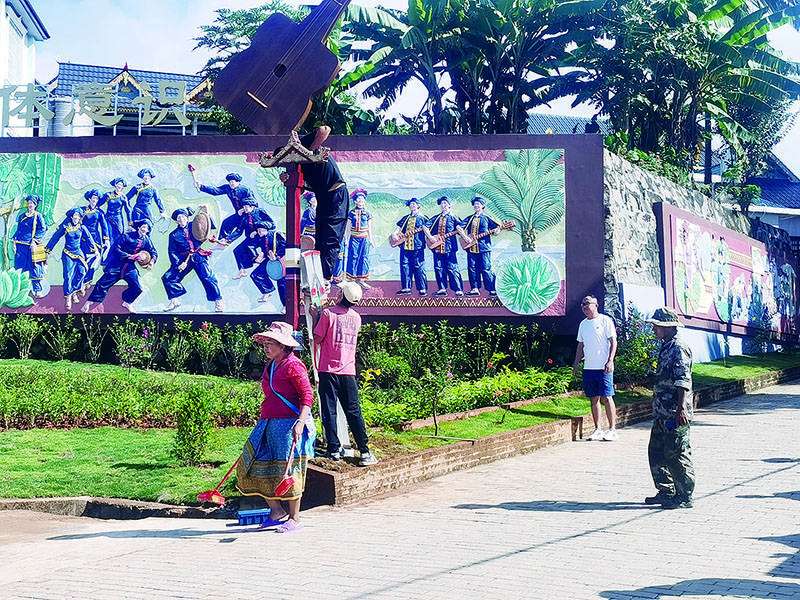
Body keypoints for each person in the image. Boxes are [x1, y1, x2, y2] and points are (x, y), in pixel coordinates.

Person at [237, 321, 316, 533]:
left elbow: (307, 396)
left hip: (289, 425)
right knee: (252, 464)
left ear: (284, 345)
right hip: (268, 423)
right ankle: (276, 510)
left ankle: (294, 517)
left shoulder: (294, 365)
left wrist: (300, 422)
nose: (266, 347)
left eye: (271, 343)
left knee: (289, 469)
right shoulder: (271, 366)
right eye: (265, 342)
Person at [310, 281, 377, 466]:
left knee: (329, 412)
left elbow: (317, 338)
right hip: (348, 371)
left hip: (327, 371)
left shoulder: (328, 314)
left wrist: (316, 316)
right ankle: (364, 451)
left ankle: (333, 451)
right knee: (354, 411)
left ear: (341, 296)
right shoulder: (356, 318)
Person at [280, 125, 349, 285]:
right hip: (323, 198)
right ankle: (318, 276)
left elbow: (325, 129)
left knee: (331, 237)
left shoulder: (301, 146)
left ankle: (325, 277)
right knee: (320, 239)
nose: (285, 165)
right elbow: (301, 191)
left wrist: (309, 152)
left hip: (336, 194)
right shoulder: (295, 166)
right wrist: (288, 179)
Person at [645, 307, 695, 509]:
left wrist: (681, 408)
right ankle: (666, 491)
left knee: (677, 454)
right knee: (656, 452)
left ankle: (684, 495)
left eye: (656, 326)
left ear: (667, 327)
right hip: (662, 412)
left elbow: (683, 380)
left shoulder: (678, 348)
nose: (654, 330)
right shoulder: (666, 346)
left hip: (675, 412)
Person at [81, 218, 157, 313]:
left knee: (138, 287)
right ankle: (88, 302)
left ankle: (127, 302)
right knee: (102, 283)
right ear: (138, 227)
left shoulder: (146, 240)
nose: (144, 229)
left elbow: (153, 251)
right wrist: (130, 256)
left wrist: (152, 261)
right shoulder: (126, 236)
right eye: (143, 227)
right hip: (117, 264)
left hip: (129, 267)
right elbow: (117, 248)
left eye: (146, 228)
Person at [572, 295, 618, 441]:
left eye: (587, 303)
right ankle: (598, 428)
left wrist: (610, 361)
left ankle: (612, 430)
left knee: (607, 397)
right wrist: (576, 364)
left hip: (603, 367)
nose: (584, 307)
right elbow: (580, 345)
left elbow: (613, 342)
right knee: (593, 399)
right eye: (582, 304)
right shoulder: (583, 324)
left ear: (596, 305)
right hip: (589, 368)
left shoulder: (605, 321)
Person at [161, 207, 223, 313]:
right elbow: (172, 252)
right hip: (184, 259)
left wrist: (205, 213)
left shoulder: (194, 225)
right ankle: (175, 300)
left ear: (187, 217)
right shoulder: (174, 235)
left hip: (198, 256)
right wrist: (178, 264)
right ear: (176, 220)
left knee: (207, 277)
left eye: (183, 217)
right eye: (178, 218)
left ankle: (218, 300)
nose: (181, 219)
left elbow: (209, 226)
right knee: (168, 278)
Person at [45, 207, 99, 311]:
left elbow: (89, 239)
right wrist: (48, 250)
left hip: (78, 253)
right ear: (71, 216)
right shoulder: (65, 227)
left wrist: (95, 250)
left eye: (78, 216)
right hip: (67, 254)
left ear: (80, 217)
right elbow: (55, 237)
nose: (76, 217)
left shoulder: (82, 227)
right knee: (68, 276)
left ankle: (74, 292)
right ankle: (68, 298)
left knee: (81, 272)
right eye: (75, 215)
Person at [424, 196, 468, 297]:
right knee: (439, 268)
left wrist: (464, 236)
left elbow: (462, 227)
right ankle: (442, 289)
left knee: (452, 268)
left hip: (450, 247)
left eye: (445, 203)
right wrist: (430, 237)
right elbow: (425, 226)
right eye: (442, 204)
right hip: (437, 248)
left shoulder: (454, 217)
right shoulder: (436, 218)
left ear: (450, 205)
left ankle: (458, 289)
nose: (443, 205)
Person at [195, 172, 253, 241]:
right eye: (230, 182)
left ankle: (227, 240)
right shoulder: (228, 188)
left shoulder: (245, 190)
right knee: (226, 223)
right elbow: (216, 190)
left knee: (239, 230)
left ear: (238, 182)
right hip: (239, 214)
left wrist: (244, 209)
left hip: (247, 215)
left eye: (232, 182)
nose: (231, 184)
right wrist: (201, 186)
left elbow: (253, 202)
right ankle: (222, 241)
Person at [460, 196, 500, 297]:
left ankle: (492, 290)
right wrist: (465, 237)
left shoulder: (487, 218)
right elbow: (459, 227)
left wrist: (496, 232)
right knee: (472, 268)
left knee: (486, 268)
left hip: (484, 248)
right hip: (471, 248)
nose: (476, 205)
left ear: (483, 206)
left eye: (478, 204)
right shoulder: (470, 218)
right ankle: (474, 289)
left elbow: (497, 229)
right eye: (475, 204)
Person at [229, 197, 276, 279]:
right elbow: (239, 230)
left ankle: (258, 258)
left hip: (261, 236)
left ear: (252, 206)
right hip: (251, 238)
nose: (244, 209)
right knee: (237, 250)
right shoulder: (244, 217)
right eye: (243, 207)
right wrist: (228, 239)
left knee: (250, 246)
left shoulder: (259, 211)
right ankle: (242, 271)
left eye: (246, 207)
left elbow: (272, 224)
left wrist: (258, 231)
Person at [11, 195, 47, 299]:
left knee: (35, 267)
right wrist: (14, 242)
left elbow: (43, 229)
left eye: (32, 203)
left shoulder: (38, 216)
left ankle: (37, 290)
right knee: (20, 267)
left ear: (35, 205)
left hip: (32, 246)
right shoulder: (22, 216)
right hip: (20, 245)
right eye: (29, 203)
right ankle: (22, 291)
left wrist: (35, 240)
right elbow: (18, 230)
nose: (30, 205)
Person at [393, 198, 428, 296]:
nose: (412, 206)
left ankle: (422, 288)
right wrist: (394, 234)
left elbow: (429, 229)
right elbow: (398, 228)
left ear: (418, 205)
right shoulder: (405, 218)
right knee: (405, 267)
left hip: (417, 246)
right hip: (405, 246)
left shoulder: (423, 218)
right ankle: (406, 288)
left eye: (414, 204)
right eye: (411, 204)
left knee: (419, 267)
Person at [248, 221, 287, 306]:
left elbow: (286, 246)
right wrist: (256, 257)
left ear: (266, 229)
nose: (259, 232)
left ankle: (285, 305)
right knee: (256, 274)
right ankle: (268, 290)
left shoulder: (277, 235)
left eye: (261, 230)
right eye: (258, 230)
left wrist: (277, 257)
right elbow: (251, 246)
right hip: (268, 260)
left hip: (280, 260)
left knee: (281, 283)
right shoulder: (260, 237)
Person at [79, 189, 110, 291]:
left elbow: (104, 226)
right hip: (84, 239)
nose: (94, 200)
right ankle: (83, 281)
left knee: (93, 262)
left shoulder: (99, 212)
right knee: (84, 260)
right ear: (89, 198)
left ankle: (88, 280)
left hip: (95, 239)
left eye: (96, 198)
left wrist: (106, 240)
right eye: (93, 198)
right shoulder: (82, 210)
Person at [344, 189, 374, 289]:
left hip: (364, 239)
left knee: (364, 258)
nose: (360, 201)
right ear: (355, 201)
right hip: (354, 238)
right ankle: (352, 279)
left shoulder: (368, 213)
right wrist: (346, 239)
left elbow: (369, 227)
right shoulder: (351, 213)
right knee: (353, 257)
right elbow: (348, 227)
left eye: (362, 199)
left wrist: (371, 239)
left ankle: (361, 280)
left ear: (364, 201)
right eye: (358, 199)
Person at [99, 177, 130, 248]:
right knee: (109, 236)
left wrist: (130, 223)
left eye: (121, 185)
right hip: (109, 218)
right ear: (115, 185)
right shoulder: (108, 195)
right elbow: (99, 204)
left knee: (119, 235)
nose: (119, 186)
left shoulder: (123, 197)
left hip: (118, 219)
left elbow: (128, 210)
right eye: (118, 184)